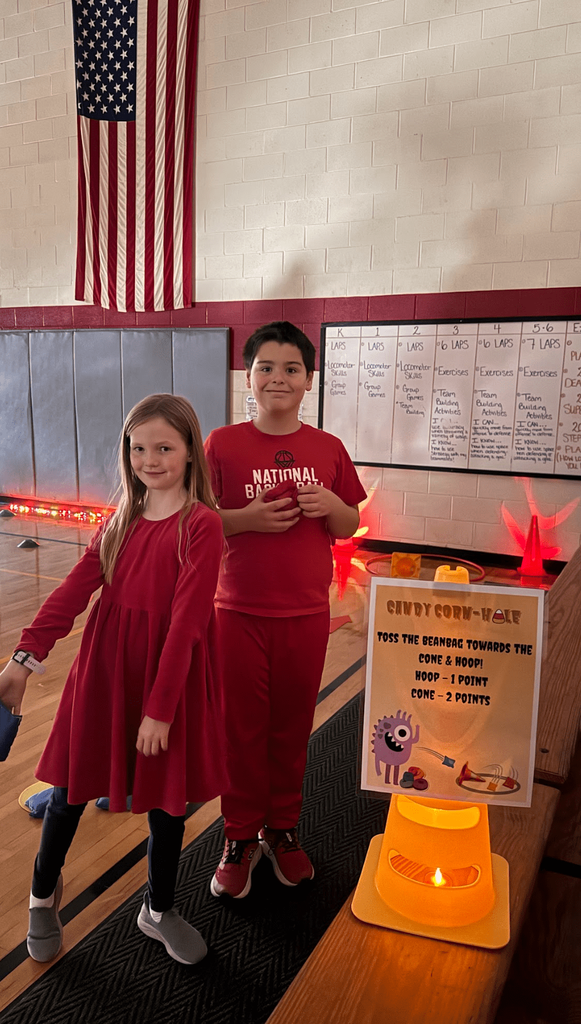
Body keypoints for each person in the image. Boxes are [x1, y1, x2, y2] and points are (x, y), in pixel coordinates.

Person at [0, 394, 225, 965]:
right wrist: (23, 660)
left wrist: (161, 707)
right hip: (103, 673)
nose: (150, 459)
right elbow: (73, 592)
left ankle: (159, 907)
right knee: (71, 792)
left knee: (167, 803)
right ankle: (41, 899)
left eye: (165, 447)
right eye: (139, 447)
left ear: (191, 452)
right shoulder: (119, 519)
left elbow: (188, 622)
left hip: (165, 681)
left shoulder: (201, 525)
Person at [204, 321, 367, 899]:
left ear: (308, 380)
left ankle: (282, 830)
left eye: (291, 368)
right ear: (247, 377)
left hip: (304, 614)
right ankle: (239, 835)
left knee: (292, 727)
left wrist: (331, 504)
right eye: (266, 367)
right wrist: (246, 519)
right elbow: (196, 520)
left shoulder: (328, 449)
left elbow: (349, 525)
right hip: (237, 611)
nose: (278, 377)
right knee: (241, 730)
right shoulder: (221, 444)